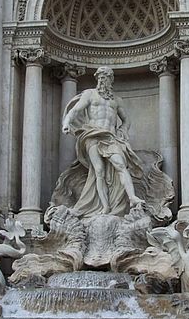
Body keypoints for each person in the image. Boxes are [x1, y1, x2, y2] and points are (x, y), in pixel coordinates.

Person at [60, 67, 145, 216]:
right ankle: (105, 207)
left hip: (110, 137)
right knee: (99, 171)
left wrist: (123, 130)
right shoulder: (89, 94)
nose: (101, 80)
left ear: (110, 80)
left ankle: (132, 197)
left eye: (105, 77)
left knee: (120, 164)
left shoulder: (117, 100)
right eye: (99, 77)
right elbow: (74, 111)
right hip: (92, 135)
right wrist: (66, 123)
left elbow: (126, 120)